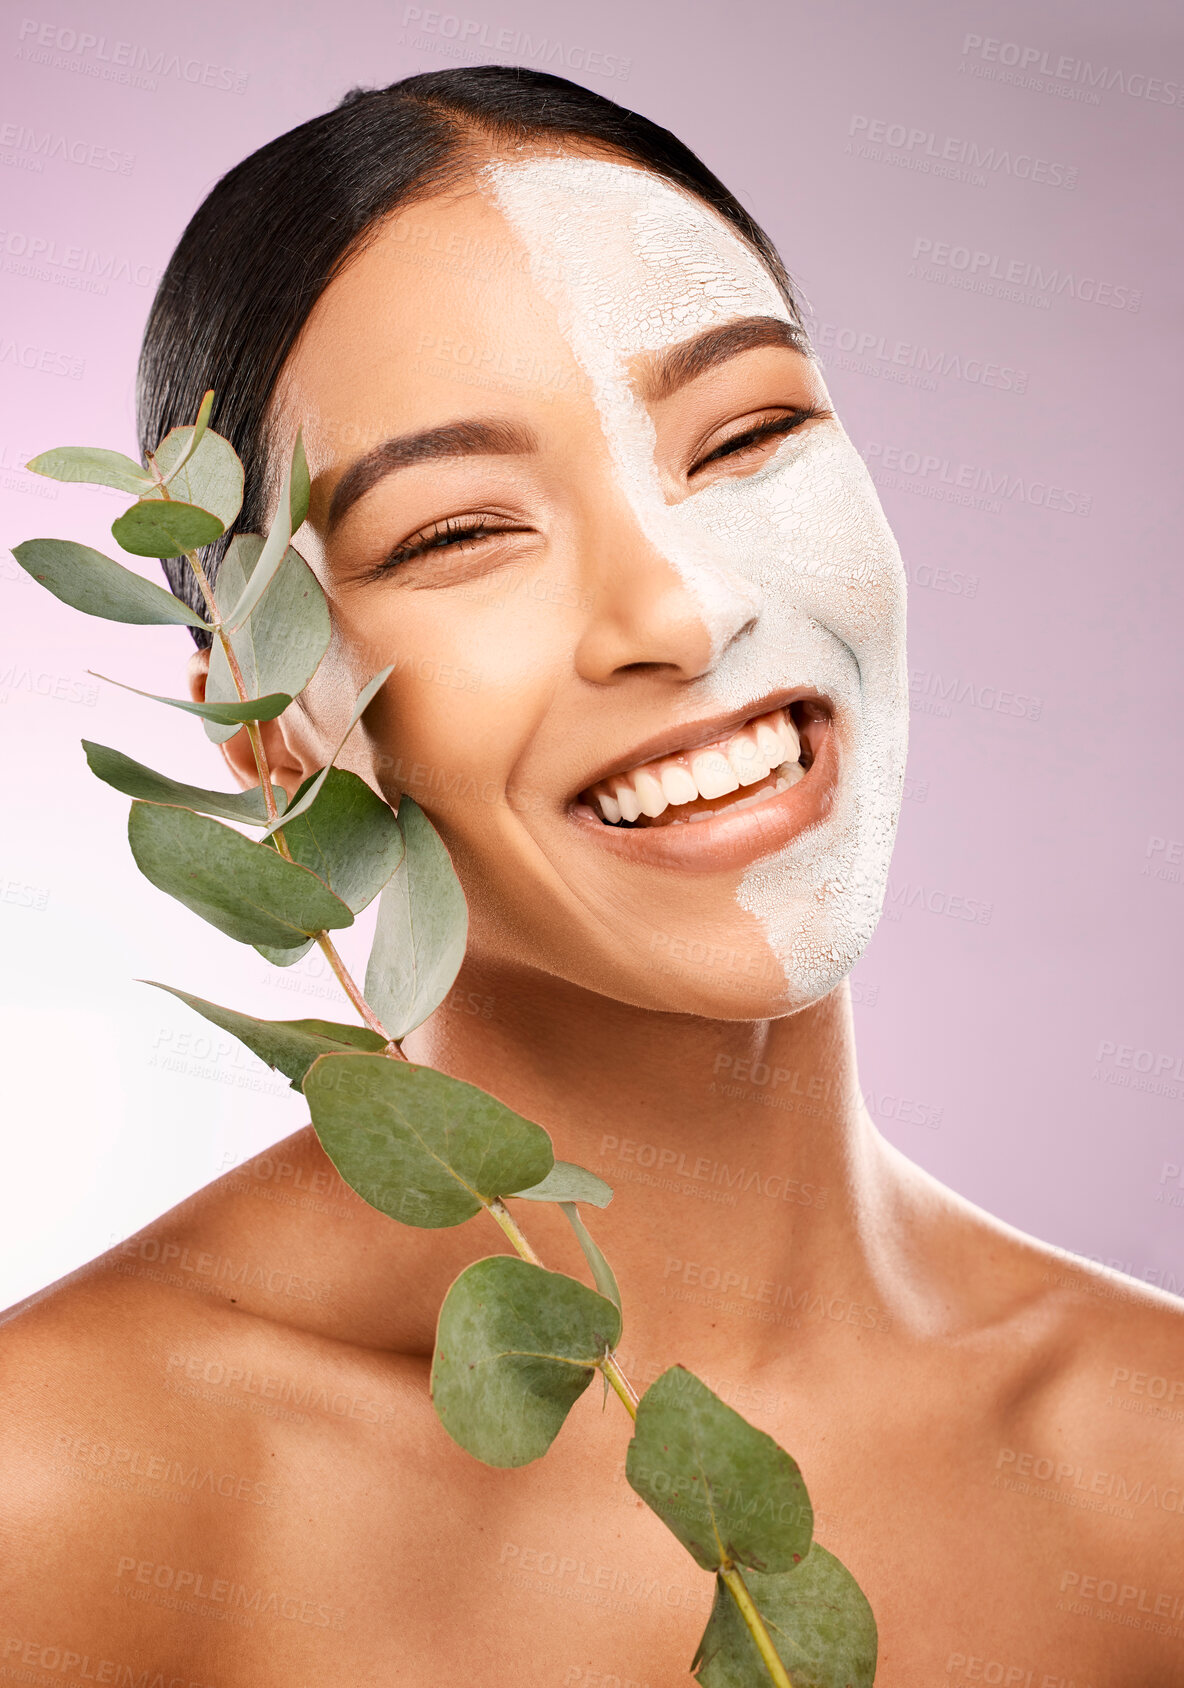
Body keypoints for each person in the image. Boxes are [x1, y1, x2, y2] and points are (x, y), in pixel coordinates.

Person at [2, 67, 1180, 1688]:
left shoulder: (1155, 1467)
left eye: (750, 431)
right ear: (270, 734)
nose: (681, 613)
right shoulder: (61, 1490)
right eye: (458, 533)